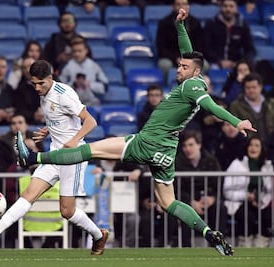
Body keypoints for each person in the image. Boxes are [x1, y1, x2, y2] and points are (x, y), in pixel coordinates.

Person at [15, 8, 258, 256]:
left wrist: (237, 121)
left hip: (149, 142)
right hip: (166, 151)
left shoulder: (193, 86)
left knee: (88, 150)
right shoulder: (191, 78)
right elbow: (187, 52)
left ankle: (33, 158)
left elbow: (211, 105)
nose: (178, 69)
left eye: (184, 67)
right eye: (179, 66)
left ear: (196, 72)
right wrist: (180, 26)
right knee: (169, 202)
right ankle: (208, 233)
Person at [0, 60, 109, 255]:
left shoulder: (64, 95)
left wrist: (74, 140)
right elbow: (62, 120)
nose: (37, 87)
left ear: (50, 78)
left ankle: (99, 236)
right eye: (34, 84)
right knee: (28, 196)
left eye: (41, 83)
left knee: (67, 211)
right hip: (53, 155)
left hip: (72, 157)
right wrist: (47, 130)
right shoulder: (43, 94)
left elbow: (90, 122)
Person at [173, 129, 227, 247]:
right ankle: (185, 250)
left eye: (191, 145)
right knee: (183, 212)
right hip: (187, 201)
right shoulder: (177, 163)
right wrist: (190, 202)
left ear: (199, 145)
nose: (188, 149)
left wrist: (212, 198)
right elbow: (175, 189)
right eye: (185, 146)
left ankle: (219, 244)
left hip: (208, 201)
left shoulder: (211, 161)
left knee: (220, 209)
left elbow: (219, 184)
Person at [223, 136, 274, 247]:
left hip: (260, 203)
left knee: (268, 215)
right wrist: (245, 196)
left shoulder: (267, 166)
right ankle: (245, 244)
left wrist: (261, 201)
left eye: (257, 145)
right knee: (246, 216)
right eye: (251, 145)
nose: (253, 148)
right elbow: (226, 191)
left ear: (262, 149)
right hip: (240, 203)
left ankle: (261, 245)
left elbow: (270, 191)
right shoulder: (236, 164)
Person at [156, 0, 206, 80]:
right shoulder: (164, 23)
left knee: (204, 64)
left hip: (191, 56)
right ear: (172, 6)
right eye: (178, 4)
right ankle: (166, 87)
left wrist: (191, 58)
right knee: (164, 64)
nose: (181, 6)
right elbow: (161, 47)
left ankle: (196, 86)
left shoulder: (195, 23)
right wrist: (176, 58)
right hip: (171, 58)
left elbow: (200, 45)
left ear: (188, 6)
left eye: (184, 4)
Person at [203, 0, 256, 70]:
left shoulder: (243, 25)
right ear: (221, 7)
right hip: (213, 63)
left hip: (236, 64)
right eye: (225, 6)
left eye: (231, 6)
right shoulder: (211, 24)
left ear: (236, 8)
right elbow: (205, 48)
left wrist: (240, 63)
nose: (228, 9)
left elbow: (250, 50)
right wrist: (219, 61)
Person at [229, 72, 274, 141]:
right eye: (248, 88)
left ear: (260, 87)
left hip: (272, 144)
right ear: (243, 89)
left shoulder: (272, 103)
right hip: (248, 144)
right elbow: (234, 126)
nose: (251, 90)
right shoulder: (236, 106)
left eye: (254, 87)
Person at [59, 37, 108, 102]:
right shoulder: (67, 67)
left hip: (91, 102)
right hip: (72, 103)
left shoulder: (94, 66)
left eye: (79, 51)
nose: (77, 54)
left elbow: (105, 86)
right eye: (74, 51)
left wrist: (90, 85)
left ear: (86, 51)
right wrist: (73, 85)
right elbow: (59, 88)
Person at [12, 57, 44, 125]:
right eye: (24, 68)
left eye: (30, 66)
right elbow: (19, 110)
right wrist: (34, 115)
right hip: (31, 123)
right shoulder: (20, 89)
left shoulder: (51, 82)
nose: (27, 70)